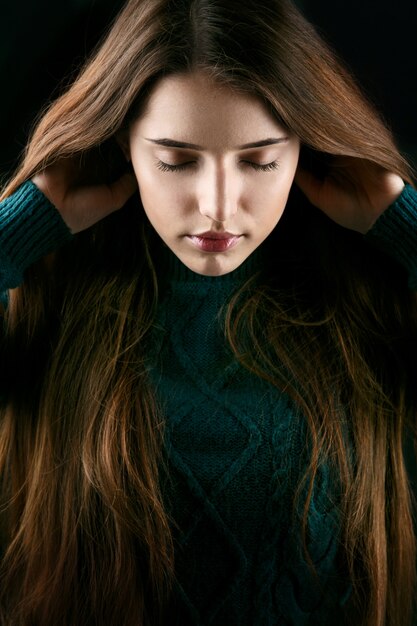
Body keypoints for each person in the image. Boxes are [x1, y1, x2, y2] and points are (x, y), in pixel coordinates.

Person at [0, 0, 416, 624]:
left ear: (306, 147)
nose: (218, 205)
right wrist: (13, 235)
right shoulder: (53, 299)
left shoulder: (364, 304)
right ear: (122, 145)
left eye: (260, 159)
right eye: (176, 160)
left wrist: (405, 225)